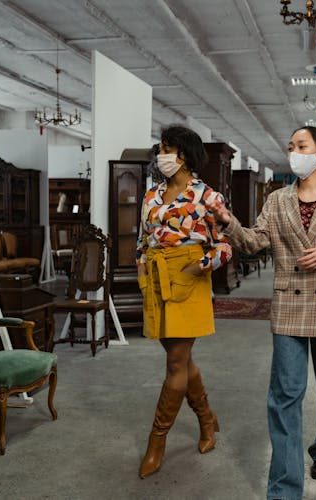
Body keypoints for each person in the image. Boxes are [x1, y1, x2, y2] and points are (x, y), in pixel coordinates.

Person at [207, 126, 316, 500]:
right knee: (283, 396)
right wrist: (227, 220)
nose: (292, 152)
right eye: (290, 146)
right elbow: (254, 243)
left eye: (301, 146)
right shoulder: (277, 200)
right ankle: (284, 488)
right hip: (289, 305)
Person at [136, 125, 231, 479]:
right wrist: (140, 262)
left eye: (166, 149)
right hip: (157, 278)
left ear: (185, 155)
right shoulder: (151, 195)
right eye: (160, 148)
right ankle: (207, 419)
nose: (160, 155)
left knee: (176, 363)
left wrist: (198, 267)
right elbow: (144, 238)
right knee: (181, 359)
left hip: (189, 278)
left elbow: (225, 245)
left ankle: (156, 440)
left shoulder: (208, 197)